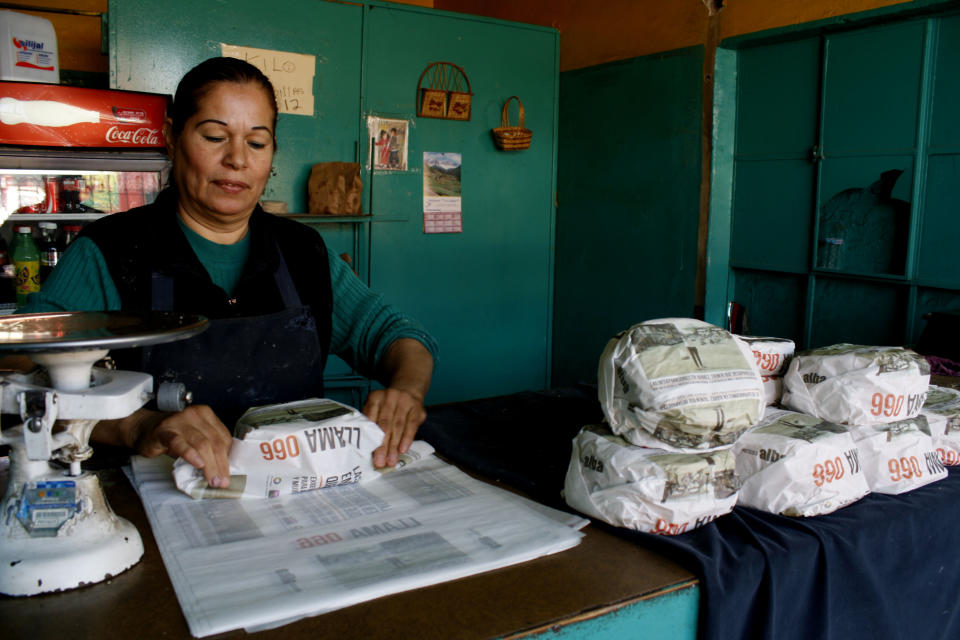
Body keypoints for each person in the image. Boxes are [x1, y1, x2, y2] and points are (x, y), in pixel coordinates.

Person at [20, 57, 437, 488]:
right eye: (215, 136)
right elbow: (30, 382)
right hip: (155, 504)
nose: (237, 159)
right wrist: (139, 426)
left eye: (257, 143)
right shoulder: (109, 252)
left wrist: (406, 391)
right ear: (172, 138)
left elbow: (397, 335)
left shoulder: (303, 252)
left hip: (294, 491)